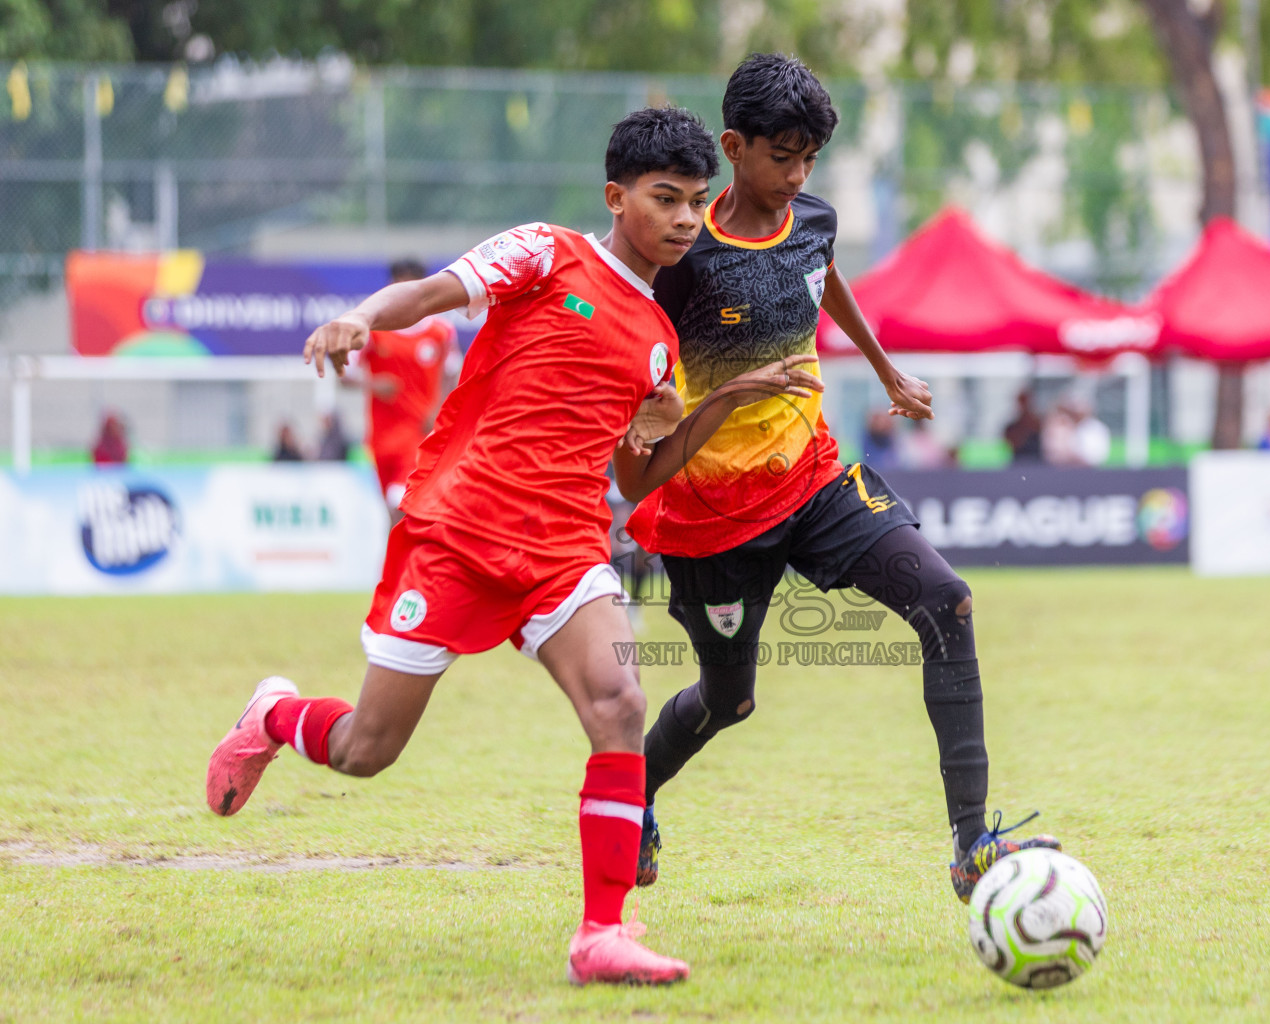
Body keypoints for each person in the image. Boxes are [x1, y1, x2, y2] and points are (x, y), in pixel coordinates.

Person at [205, 108, 821, 986]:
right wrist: (358, 317)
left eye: (693, 202)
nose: (685, 220)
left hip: (566, 545)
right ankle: (272, 714)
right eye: (665, 199)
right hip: (458, 532)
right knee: (365, 751)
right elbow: (428, 295)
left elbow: (640, 476)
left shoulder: (657, 341)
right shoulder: (545, 253)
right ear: (617, 197)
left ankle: (601, 934)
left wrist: (726, 398)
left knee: (618, 700)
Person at [618, 54, 1058, 908]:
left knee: (948, 601)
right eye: (782, 157)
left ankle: (972, 843)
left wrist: (889, 373)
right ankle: (634, 790)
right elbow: (633, 365)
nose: (798, 175)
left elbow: (824, 281)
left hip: (814, 480)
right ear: (733, 148)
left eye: (810, 159)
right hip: (713, 515)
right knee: (727, 699)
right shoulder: (681, 252)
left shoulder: (811, 216)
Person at [350, 258, 461, 524]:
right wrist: (375, 384)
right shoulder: (375, 330)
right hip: (381, 437)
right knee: (393, 511)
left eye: (410, 282)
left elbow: (453, 373)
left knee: (400, 504)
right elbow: (345, 375)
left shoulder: (439, 331)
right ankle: (397, 563)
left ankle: (402, 564)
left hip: (419, 434)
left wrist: (437, 409)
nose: (404, 288)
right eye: (399, 282)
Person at [1003, 388, 1042, 462]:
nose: (1025, 406)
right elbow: (1010, 445)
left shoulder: (1039, 424)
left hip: (1038, 464)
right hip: (1018, 465)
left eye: (1027, 402)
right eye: (1022, 402)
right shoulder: (1011, 428)